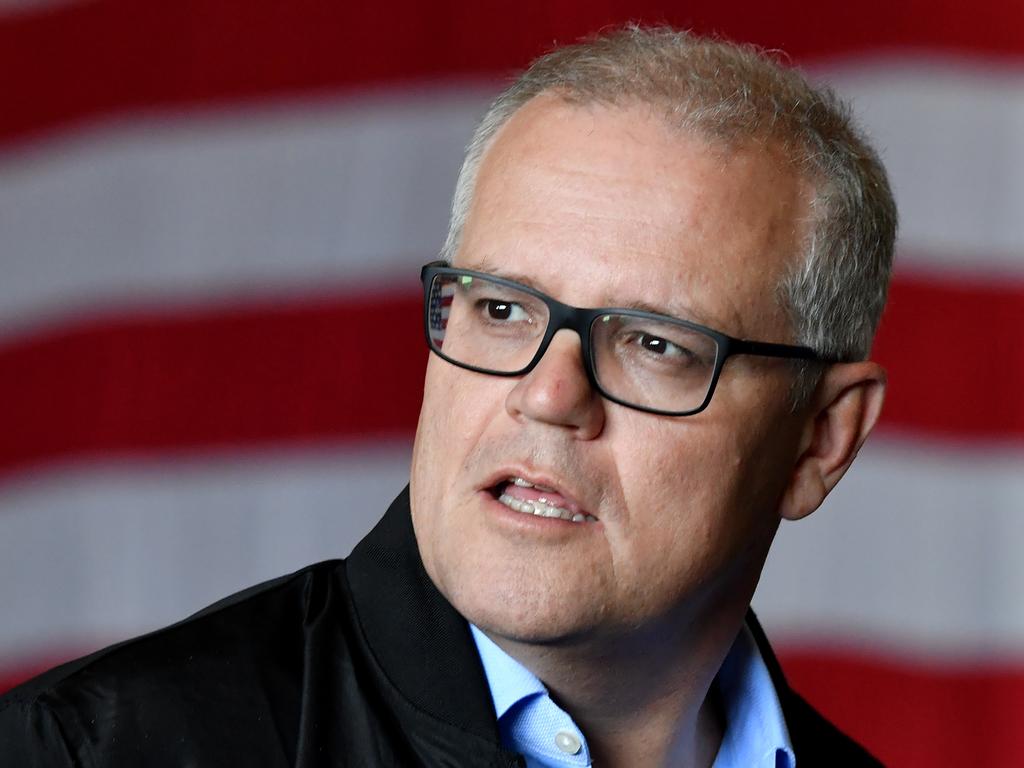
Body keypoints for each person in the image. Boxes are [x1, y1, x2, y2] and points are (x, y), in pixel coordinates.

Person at [0, 26, 895, 767]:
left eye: (655, 343)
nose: (547, 396)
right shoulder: (95, 750)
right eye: (502, 309)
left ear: (821, 439)